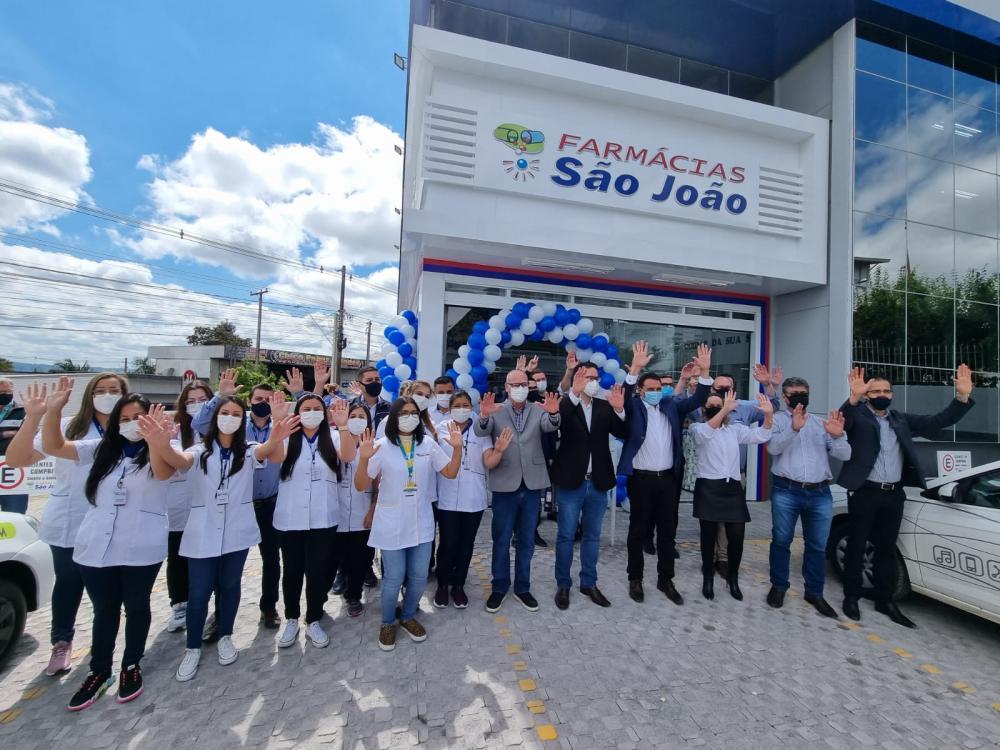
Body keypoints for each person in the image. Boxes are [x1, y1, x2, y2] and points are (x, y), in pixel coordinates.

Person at [41, 382, 174, 711]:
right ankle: (99, 671)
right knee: (105, 611)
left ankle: (131, 665)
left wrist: (158, 439)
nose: (132, 423)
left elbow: (163, 472)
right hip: (96, 546)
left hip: (141, 546)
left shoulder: (158, 449)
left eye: (139, 417)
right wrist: (51, 411)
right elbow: (54, 446)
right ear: (115, 422)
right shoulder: (99, 448)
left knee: (137, 606)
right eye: (125, 418)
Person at [152, 393, 296, 682]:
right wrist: (157, 441)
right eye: (224, 413)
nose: (229, 418)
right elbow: (177, 461)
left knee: (230, 586)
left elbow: (271, 452)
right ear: (215, 417)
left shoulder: (248, 449)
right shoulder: (199, 450)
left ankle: (226, 636)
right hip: (203, 531)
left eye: (234, 413)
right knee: (199, 593)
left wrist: (278, 427)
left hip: (236, 531)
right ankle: (192, 647)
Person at [6, 372, 129, 677]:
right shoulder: (66, 426)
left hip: (116, 523)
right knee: (69, 585)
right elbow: (18, 459)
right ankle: (62, 641)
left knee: (108, 592)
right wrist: (37, 416)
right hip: (71, 521)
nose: (107, 395)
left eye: (115, 390)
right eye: (101, 390)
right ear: (89, 394)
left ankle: (104, 650)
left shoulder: (131, 428)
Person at [838, 365, 974, 628]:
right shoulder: (858, 417)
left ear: (892, 394)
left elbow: (937, 422)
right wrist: (852, 399)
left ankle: (884, 599)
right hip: (865, 492)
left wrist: (961, 398)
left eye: (886, 391)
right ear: (866, 394)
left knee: (886, 548)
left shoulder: (900, 419)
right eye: (874, 390)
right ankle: (852, 596)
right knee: (857, 545)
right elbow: (841, 424)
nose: (881, 394)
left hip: (893, 495)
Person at [354, 398, 462, 652]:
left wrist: (457, 450)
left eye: (414, 413)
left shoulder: (427, 444)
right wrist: (363, 459)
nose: (410, 417)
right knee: (393, 578)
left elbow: (449, 473)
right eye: (404, 413)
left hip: (421, 522)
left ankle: (409, 615)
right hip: (391, 523)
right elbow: (360, 485)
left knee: (419, 576)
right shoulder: (380, 446)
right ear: (394, 417)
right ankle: (388, 621)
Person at [620, 342, 713, 604]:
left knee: (667, 531)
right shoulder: (634, 407)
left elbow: (698, 399)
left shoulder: (671, 406)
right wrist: (636, 368)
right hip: (641, 480)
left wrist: (704, 373)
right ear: (641, 391)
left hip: (668, 480)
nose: (655, 393)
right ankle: (635, 579)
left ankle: (665, 579)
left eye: (658, 389)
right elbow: (623, 398)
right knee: (637, 531)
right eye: (650, 389)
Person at [192, 370, 285, 630]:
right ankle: (220, 615)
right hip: (235, 505)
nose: (263, 402)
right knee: (227, 562)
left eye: (268, 398)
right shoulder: (234, 421)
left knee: (271, 560)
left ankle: (269, 607)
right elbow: (199, 426)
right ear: (250, 400)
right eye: (258, 398)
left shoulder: (280, 424)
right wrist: (221, 396)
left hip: (270, 503)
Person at [264, 395, 354, 649]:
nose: (312, 413)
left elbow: (347, 456)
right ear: (298, 412)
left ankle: (313, 618)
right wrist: (278, 421)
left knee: (318, 571)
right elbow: (275, 458)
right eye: (306, 409)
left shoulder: (333, 437)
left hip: (323, 518)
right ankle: (291, 618)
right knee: (292, 572)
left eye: (317, 409)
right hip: (290, 518)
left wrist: (344, 425)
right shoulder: (288, 437)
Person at [475, 370, 561, 613]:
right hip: (505, 483)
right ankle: (499, 587)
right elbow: (481, 430)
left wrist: (554, 412)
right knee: (501, 540)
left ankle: (523, 587)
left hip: (532, 484)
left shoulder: (537, 408)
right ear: (507, 386)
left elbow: (550, 425)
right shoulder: (497, 409)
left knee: (526, 541)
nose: (521, 388)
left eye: (524, 384)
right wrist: (483, 414)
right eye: (516, 384)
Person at [766, 377, 851, 617]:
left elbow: (845, 455)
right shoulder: (778, 421)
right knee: (781, 541)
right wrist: (794, 428)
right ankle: (778, 586)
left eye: (803, 392)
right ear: (785, 397)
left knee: (817, 545)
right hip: (786, 490)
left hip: (819, 492)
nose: (799, 397)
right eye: (794, 393)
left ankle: (814, 592)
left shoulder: (821, 423)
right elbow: (773, 448)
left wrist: (837, 436)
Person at [551, 364, 629, 609]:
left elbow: (623, 431)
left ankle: (589, 582)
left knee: (592, 537)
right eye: (587, 377)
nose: (592, 381)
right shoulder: (566, 404)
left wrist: (620, 410)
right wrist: (572, 393)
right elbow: (557, 422)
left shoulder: (605, 406)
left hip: (598, 482)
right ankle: (563, 584)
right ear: (577, 379)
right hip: (571, 482)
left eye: (595, 377)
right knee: (565, 536)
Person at [690, 389, 773, 601]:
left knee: (736, 537)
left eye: (721, 404)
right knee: (707, 538)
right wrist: (724, 409)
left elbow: (761, 435)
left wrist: (768, 415)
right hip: (708, 487)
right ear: (704, 408)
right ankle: (708, 577)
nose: (717, 407)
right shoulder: (698, 427)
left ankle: (732, 579)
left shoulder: (734, 429)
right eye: (713, 404)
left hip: (732, 489)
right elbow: (706, 434)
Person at [433, 391, 507, 609]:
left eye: (466, 405)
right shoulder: (441, 429)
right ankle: (442, 584)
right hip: (446, 496)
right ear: (451, 406)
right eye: (458, 405)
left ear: (472, 407)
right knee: (447, 543)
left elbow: (489, 462)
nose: (462, 408)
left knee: (466, 544)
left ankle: (458, 585)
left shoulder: (480, 430)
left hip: (473, 497)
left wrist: (500, 451)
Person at [164, 380, 213, 633]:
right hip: (180, 503)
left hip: (210, 501)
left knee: (209, 556)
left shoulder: (215, 428)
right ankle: (179, 604)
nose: (196, 405)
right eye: (191, 401)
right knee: (178, 554)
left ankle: (208, 604)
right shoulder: (174, 430)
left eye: (202, 400)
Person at [329, 402, 377, 617]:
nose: (357, 419)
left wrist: (373, 508)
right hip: (335, 508)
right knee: (338, 555)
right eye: (353, 415)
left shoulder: (376, 444)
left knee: (360, 558)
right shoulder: (333, 439)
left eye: (361, 416)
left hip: (362, 507)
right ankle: (340, 580)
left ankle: (354, 596)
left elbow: (378, 480)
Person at [0, 377, 28, 513]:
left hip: (13, 471)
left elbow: (28, 435)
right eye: (1, 392)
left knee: (14, 513)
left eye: (7, 392)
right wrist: (6, 434)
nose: (4, 395)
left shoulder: (23, 411)